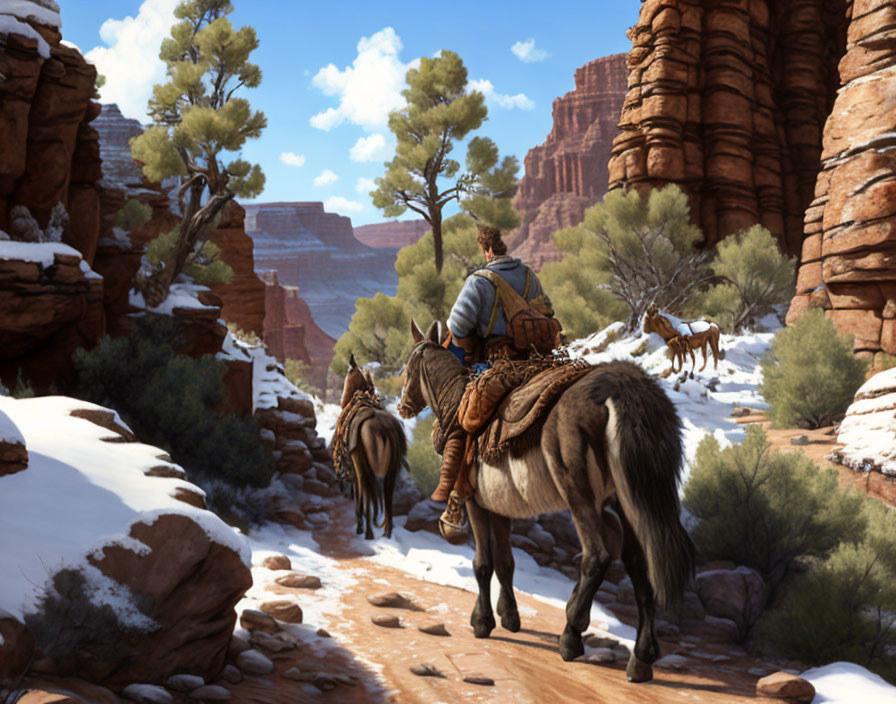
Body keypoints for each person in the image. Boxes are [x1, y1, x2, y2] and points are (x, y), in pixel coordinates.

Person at [430, 224, 553, 516]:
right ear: (502, 248)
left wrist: (467, 348)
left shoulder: (479, 281)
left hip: (497, 365)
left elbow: (457, 327)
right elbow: (547, 312)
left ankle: (455, 495)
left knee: (462, 419)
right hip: (537, 362)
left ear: (486, 250)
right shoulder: (528, 276)